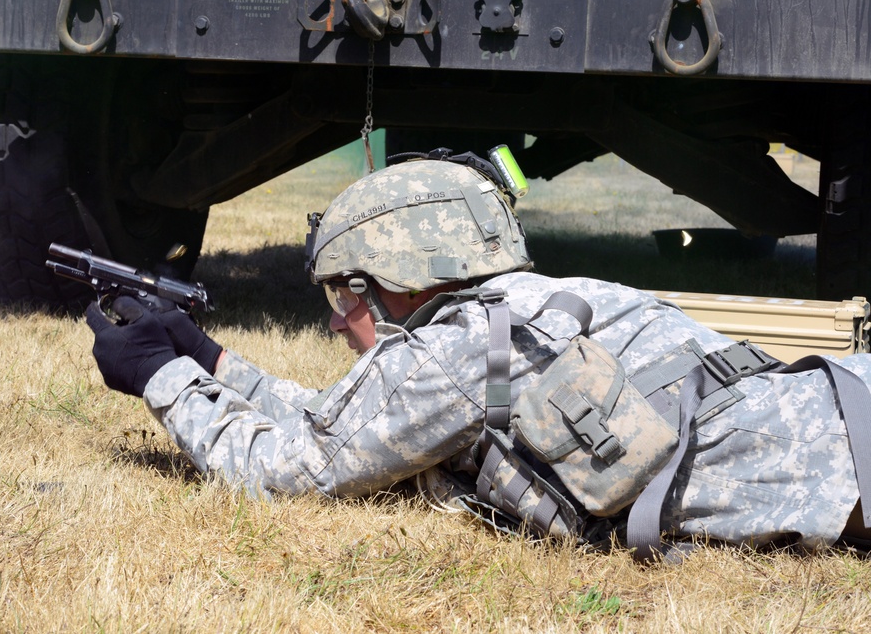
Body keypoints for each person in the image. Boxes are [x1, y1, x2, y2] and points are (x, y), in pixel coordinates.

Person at [84, 149, 871, 561]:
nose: (335, 323)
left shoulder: (451, 355)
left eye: (341, 298)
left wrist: (161, 376)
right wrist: (209, 357)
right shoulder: (529, 305)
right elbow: (348, 422)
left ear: (391, 284)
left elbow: (290, 470)